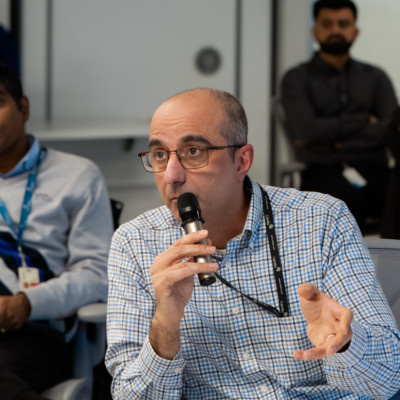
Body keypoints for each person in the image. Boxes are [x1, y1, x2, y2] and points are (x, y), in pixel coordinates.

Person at [105, 88, 400, 399]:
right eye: (159, 155)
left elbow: (388, 380)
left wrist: (346, 344)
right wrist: (164, 327)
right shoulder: (134, 243)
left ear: (241, 161)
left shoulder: (322, 220)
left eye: (193, 151)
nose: (171, 176)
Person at [0, 63, 114, 399]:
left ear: (23, 108)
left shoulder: (76, 176)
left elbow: (97, 275)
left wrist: (27, 303)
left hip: (36, 333)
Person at [281, 0, 397, 234]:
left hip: (375, 169)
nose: (336, 30)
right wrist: (364, 120)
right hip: (323, 171)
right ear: (315, 31)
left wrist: (334, 141)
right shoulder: (296, 78)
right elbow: (307, 130)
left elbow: (391, 129)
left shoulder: (376, 77)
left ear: (355, 31)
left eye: (343, 24)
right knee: (342, 200)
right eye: (327, 24)